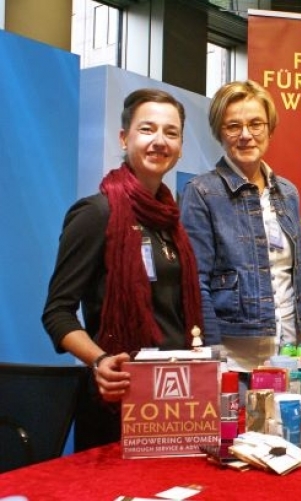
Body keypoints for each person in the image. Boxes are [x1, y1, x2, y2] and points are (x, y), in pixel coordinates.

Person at [42, 88, 203, 451]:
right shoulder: (96, 214)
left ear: (179, 147)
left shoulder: (171, 222)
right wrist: (98, 360)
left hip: (177, 401)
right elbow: (57, 313)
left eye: (171, 132)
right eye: (147, 129)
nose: (159, 141)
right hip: (119, 399)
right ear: (123, 137)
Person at [179, 80, 301, 367]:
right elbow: (195, 284)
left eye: (256, 124)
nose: (246, 135)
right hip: (236, 358)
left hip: (292, 350)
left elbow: (294, 273)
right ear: (219, 133)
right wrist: (209, 357)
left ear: (270, 129)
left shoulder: (287, 193)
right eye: (233, 126)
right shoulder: (201, 193)